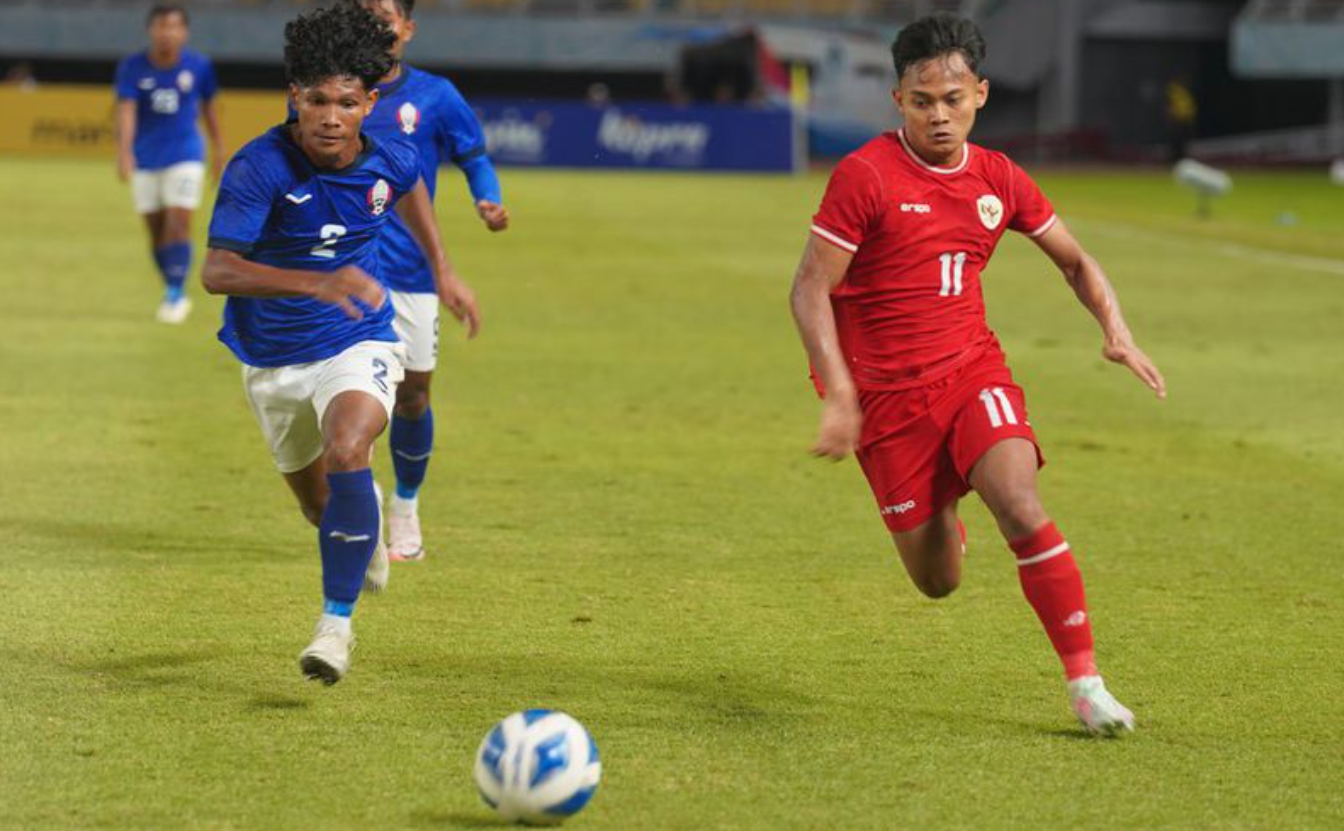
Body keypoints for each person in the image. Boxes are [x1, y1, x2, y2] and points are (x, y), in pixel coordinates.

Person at [789, 14, 1166, 735]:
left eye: (953, 99)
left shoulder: (998, 177)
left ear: (981, 95)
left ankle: (1086, 682)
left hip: (970, 372)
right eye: (923, 99)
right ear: (897, 98)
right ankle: (943, 518)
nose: (940, 114)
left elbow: (1076, 260)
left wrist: (1117, 332)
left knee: (1020, 503)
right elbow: (809, 289)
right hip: (886, 402)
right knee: (938, 582)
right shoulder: (865, 176)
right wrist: (839, 391)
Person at [201, 3, 480, 684]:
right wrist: (313, 283)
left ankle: (334, 628)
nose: (330, 115)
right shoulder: (258, 167)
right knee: (318, 505)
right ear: (293, 97)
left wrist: (441, 267)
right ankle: (364, 521)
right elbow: (217, 271)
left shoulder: (391, 154)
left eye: (346, 102)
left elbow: (408, 187)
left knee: (350, 446)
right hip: (270, 362)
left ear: (368, 103)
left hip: (356, 339)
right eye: (317, 99)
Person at [349, 0, 509, 563]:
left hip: (413, 272)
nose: (376, 22)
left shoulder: (437, 96)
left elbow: (474, 156)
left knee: (413, 395)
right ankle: (357, 506)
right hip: (346, 270)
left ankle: (406, 505)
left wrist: (487, 197)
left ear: (408, 28)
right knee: (351, 396)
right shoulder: (336, 92)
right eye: (364, 10)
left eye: (386, 12)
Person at [114, 4, 223, 324]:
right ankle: (172, 282)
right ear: (151, 30)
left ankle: (175, 293)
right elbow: (126, 110)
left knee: (178, 222)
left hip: (186, 155)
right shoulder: (132, 66)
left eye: (174, 27)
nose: (167, 33)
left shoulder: (199, 66)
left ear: (184, 32)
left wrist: (218, 149)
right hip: (146, 158)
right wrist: (124, 151)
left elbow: (211, 109)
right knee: (156, 231)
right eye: (161, 26)